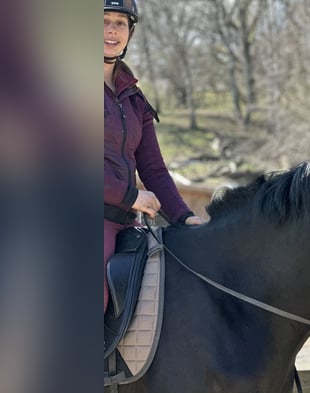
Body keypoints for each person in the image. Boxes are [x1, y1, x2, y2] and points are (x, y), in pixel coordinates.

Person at [104, 0, 203, 313]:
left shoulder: (134, 98)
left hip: (128, 222)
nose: (112, 29)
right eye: (103, 20)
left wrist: (185, 217)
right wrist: (131, 195)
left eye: (121, 22)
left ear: (130, 32)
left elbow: (154, 170)